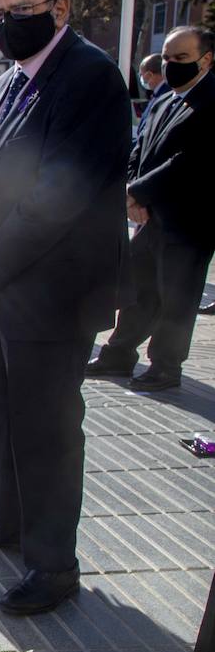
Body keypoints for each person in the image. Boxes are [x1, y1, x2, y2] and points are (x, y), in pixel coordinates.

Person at [0, 0, 130, 615]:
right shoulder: (6, 83)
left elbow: (59, 196)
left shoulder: (89, 77)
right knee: (4, 417)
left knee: (47, 431)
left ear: (61, 7)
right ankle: (12, 521)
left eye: (21, 11)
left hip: (55, 292)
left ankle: (54, 566)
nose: (7, 25)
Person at [87, 26, 214, 392]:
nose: (172, 65)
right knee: (138, 289)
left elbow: (191, 161)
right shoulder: (164, 100)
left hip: (188, 221)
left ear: (206, 59)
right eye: (168, 58)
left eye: (182, 58)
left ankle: (166, 366)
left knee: (177, 297)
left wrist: (138, 192)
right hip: (149, 217)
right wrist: (132, 192)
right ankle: (119, 354)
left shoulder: (211, 101)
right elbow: (139, 149)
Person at [135, 52, 168, 135]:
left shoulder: (165, 96)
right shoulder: (158, 94)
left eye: (141, 75)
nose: (141, 78)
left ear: (149, 75)